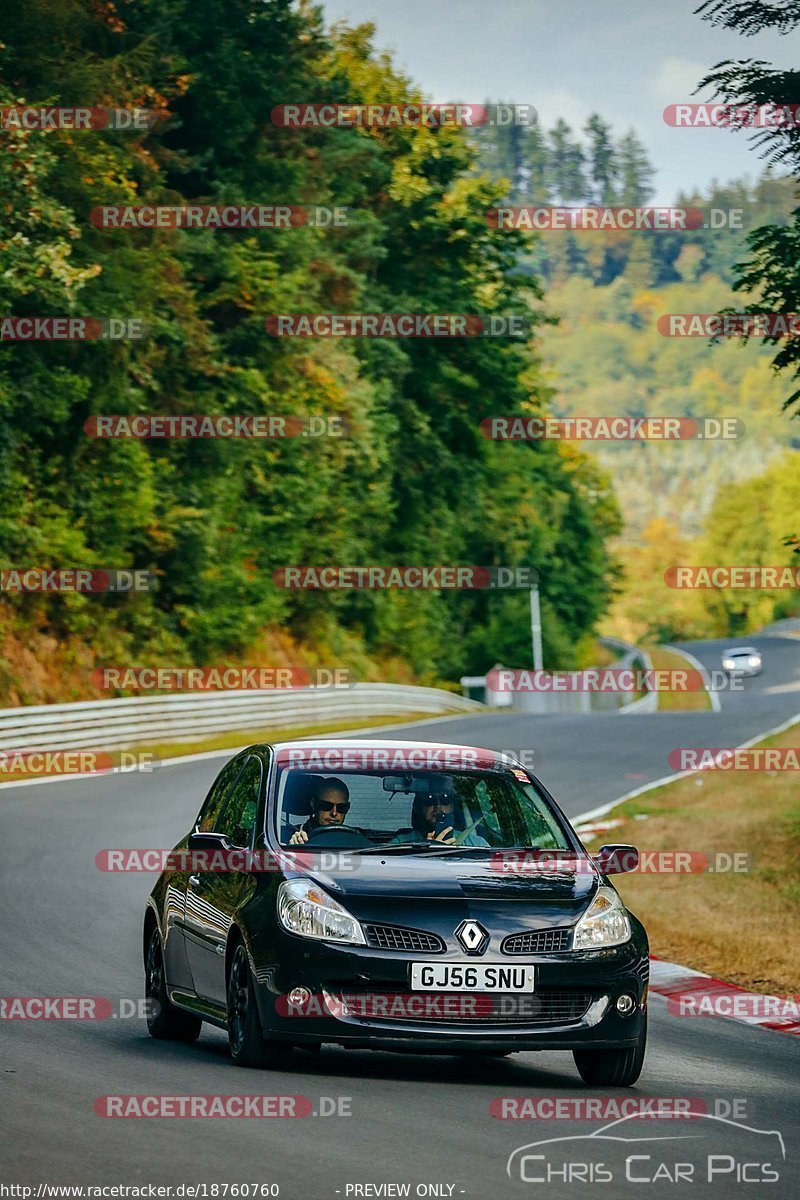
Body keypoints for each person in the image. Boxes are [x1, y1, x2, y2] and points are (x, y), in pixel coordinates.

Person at [388, 779, 489, 846]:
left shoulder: (477, 844)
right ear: (417, 807)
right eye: (429, 799)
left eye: (445, 799)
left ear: (452, 807)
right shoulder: (400, 844)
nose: (438, 806)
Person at [288, 778, 351, 844]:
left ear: (347, 808)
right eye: (326, 806)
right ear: (313, 804)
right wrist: (292, 848)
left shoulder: (359, 838)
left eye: (341, 807)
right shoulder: (287, 836)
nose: (334, 813)